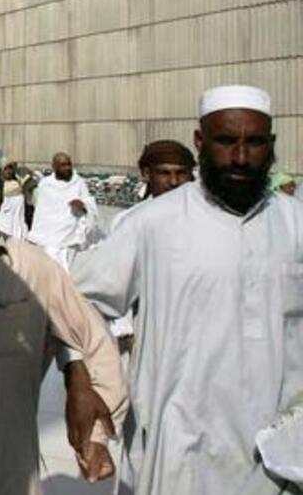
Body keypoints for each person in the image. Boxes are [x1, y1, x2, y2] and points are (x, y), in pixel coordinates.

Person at [72, 85, 303, 494]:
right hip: (178, 452)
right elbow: (77, 300)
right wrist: (83, 378)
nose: (241, 157)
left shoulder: (294, 223)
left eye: (254, 143)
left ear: (271, 145)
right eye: (226, 141)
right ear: (200, 141)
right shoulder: (153, 224)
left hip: (279, 459)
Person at [0, 137, 127, 495]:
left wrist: (93, 429)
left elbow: (95, 341)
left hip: (9, 471)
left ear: (3, 192)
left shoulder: (33, 266)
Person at [102, 139, 197, 355]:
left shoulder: (208, 221)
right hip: (148, 335)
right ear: (146, 174)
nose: (174, 182)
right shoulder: (129, 222)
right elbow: (115, 284)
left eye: (181, 173)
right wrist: (123, 332)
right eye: (165, 173)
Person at [28, 152, 100, 269]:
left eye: (69, 164)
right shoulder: (45, 185)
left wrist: (82, 205)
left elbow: (90, 205)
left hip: (72, 240)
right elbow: (40, 213)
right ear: (54, 167)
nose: (67, 168)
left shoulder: (78, 183)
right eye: (63, 165)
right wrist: (35, 235)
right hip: (49, 239)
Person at [0, 160, 28, 238]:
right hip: (4, 219)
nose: (8, 171)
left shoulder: (18, 182)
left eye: (10, 169)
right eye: (6, 169)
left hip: (17, 220)